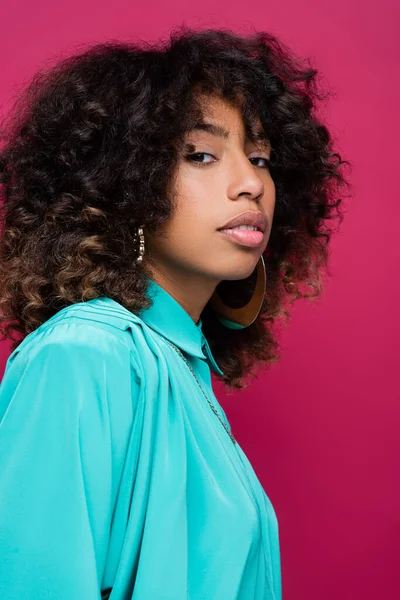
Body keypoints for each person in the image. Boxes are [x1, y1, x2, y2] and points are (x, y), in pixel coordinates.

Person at [0, 26, 351, 600]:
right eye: (201, 155)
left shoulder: (178, 366)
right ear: (125, 185)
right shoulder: (87, 354)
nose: (250, 184)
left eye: (259, 157)